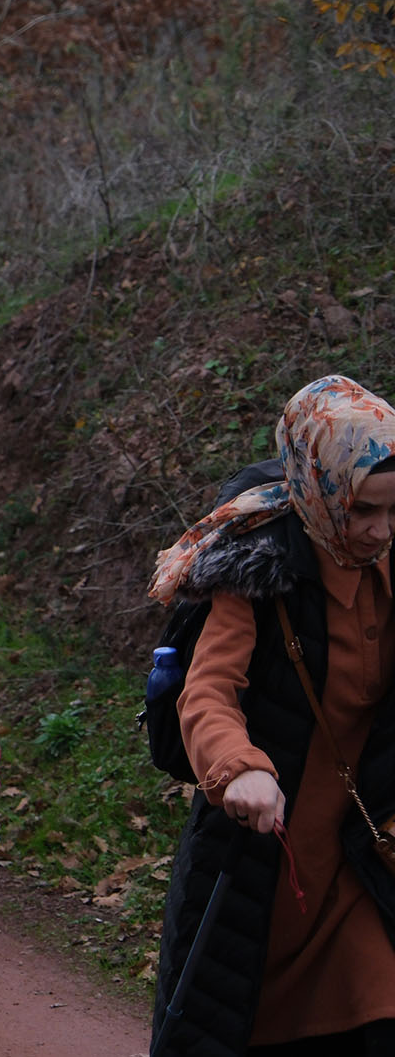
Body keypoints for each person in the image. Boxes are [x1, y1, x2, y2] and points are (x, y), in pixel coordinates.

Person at [148, 375, 395, 1056]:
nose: (380, 530)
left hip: (362, 868)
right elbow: (208, 692)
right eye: (364, 510)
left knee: (380, 1006)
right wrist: (241, 770)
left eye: (393, 511)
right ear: (324, 490)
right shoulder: (261, 564)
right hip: (262, 869)